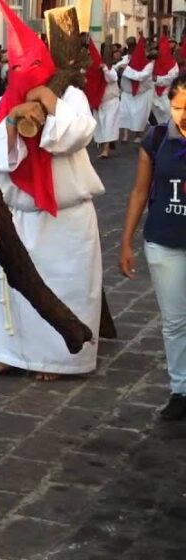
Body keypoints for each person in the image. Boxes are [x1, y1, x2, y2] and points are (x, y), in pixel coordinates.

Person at [0, 0, 103, 381]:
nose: (24, 76)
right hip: (19, 216)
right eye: (16, 69)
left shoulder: (71, 97)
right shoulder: (1, 106)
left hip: (65, 219)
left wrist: (50, 104)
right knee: (15, 291)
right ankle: (11, 353)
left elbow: (79, 133)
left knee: (64, 285)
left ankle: (59, 359)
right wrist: (14, 125)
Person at [119, 75, 186, 421]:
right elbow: (139, 192)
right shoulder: (156, 138)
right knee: (175, 321)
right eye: (177, 107)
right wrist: (126, 240)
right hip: (165, 242)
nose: (183, 114)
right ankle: (180, 390)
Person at [120, 36, 154, 143]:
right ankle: (125, 134)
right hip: (127, 93)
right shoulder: (126, 59)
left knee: (139, 116)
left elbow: (140, 76)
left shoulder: (149, 65)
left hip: (141, 94)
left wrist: (127, 70)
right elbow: (116, 67)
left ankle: (138, 134)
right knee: (124, 114)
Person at [92, 42, 121, 158]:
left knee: (109, 125)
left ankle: (106, 150)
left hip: (111, 102)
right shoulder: (94, 72)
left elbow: (112, 78)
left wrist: (104, 68)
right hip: (99, 102)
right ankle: (107, 143)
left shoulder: (111, 70)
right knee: (101, 126)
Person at [152, 35, 179, 125]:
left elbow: (172, 78)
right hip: (154, 95)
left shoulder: (173, 64)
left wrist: (157, 79)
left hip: (166, 95)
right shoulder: (154, 62)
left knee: (170, 120)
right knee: (158, 123)